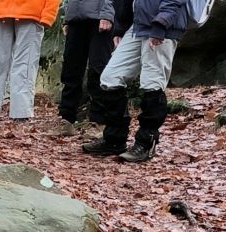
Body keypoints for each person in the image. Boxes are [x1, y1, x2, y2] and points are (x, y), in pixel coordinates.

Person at [80, 0, 191, 162]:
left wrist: (161, 24)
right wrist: (120, 28)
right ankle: (114, 140)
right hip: (137, 26)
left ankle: (145, 143)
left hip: (162, 27)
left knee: (152, 84)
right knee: (110, 78)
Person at [56, 0, 132, 135]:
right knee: (70, 70)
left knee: (98, 70)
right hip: (76, 19)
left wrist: (108, 14)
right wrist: (68, 19)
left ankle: (98, 122)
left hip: (100, 19)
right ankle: (66, 119)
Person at [0, 0, 58, 123]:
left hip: (32, 12)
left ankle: (21, 114)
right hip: (0, 11)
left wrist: (48, 14)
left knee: (25, 64)